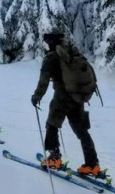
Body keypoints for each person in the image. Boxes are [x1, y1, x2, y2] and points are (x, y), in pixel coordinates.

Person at [31, 31, 100, 176]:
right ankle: (92, 164)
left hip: (62, 98)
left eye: (47, 41)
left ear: (50, 42)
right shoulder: (71, 52)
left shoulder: (52, 57)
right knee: (81, 131)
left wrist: (37, 96)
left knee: (52, 124)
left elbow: (43, 80)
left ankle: (54, 158)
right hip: (77, 97)